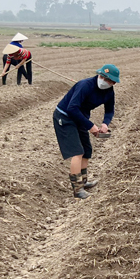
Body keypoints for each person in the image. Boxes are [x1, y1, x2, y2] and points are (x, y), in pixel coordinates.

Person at [53, 64, 118, 199]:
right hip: (65, 117)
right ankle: (77, 189)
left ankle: (84, 180)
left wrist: (105, 123)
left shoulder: (109, 92)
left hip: (80, 117)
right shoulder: (85, 85)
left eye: (111, 81)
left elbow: (110, 110)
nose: (107, 82)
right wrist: (90, 126)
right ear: (100, 76)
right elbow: (72, 108)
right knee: (77, 151)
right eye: (105, 78)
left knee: (87, 150)